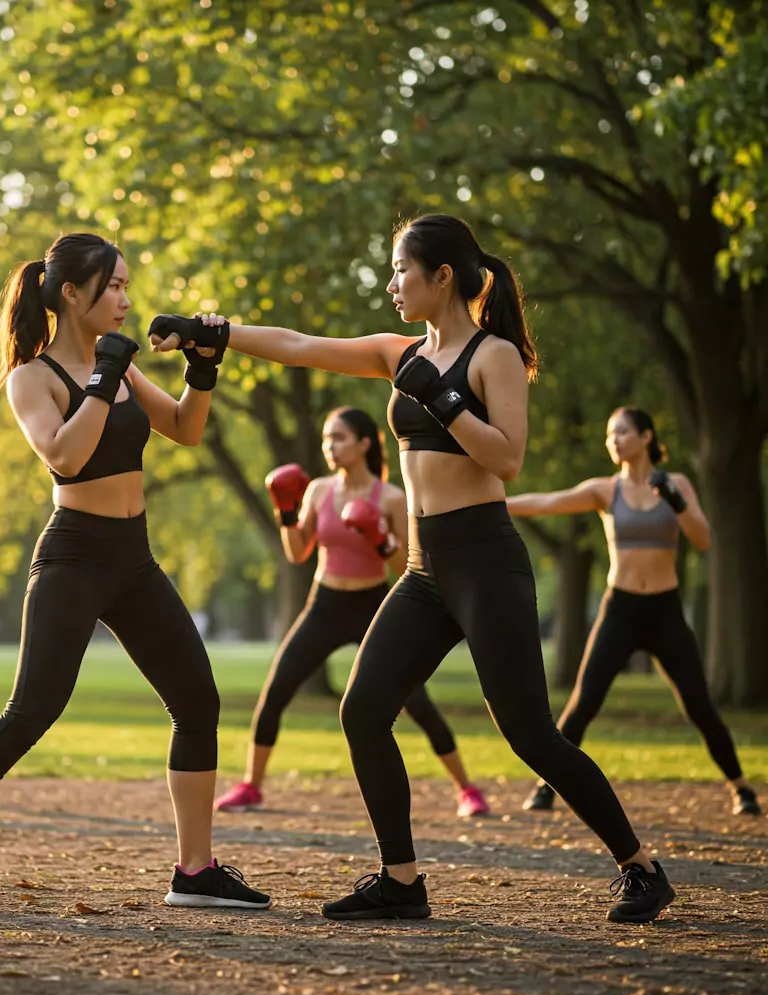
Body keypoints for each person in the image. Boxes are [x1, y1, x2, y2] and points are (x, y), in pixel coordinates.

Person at [150, 213, 675, 925]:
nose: (392, 284)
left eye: (401, 270)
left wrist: (445, 399)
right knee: (363, 710)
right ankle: (401, 880)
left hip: (486, 564)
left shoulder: (493, 356)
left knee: (530, 734)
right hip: (425, 573)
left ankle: (641, 868)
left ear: (443, 276)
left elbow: (508, 458)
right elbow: (300, 346)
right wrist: (212, 333)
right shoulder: (400, 354)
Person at [0, 232, 269, 914]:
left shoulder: (119, 366)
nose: (125, 299)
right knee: (32, 710)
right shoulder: (32, 377)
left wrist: (203, 370)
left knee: (198, 703)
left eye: (127, 286)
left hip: (134, 558)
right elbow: (65, 456)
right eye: (113, 286)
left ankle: (195, 871)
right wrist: (102, 377)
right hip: (73, 556)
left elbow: (185, 428)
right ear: (72, 293)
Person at [215, 406, 489, 818]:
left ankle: (467, 789)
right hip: (324, 605)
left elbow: (409, 565)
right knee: (276, 691)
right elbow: (297, 553)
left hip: (372, 606)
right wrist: (285, 511)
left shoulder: (391, 498)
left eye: (339, 438)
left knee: (416, 701)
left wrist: (381, 539)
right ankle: (251, 786)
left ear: (364, 444)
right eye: (327, 439)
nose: (330, 447)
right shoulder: (318, 491)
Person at [509, 407, 761, 817]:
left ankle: (741, 788)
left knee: (699, 705)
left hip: (665, 611)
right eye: (610, 434)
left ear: (646, 437)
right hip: (620, 610)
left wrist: (676, 502)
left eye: (623, 432)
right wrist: (496, 503)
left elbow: (702, 539)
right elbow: (549, 501)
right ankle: (546, 787)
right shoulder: (605, 490)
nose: (614, 440)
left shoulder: (676, 484)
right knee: (585, 701)